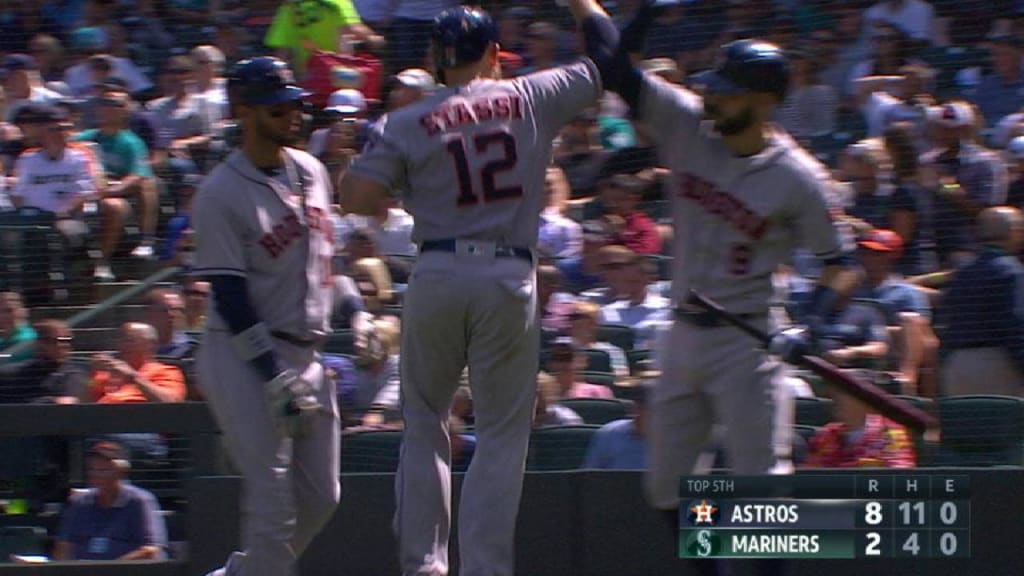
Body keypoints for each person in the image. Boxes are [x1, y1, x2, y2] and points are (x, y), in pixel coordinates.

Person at [571, 2, 856, 575]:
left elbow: (840, 261)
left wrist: (814, 325)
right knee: (666, 487)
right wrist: (644, 13)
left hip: (748, 342)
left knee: (762, 491)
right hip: (682, 329)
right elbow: (617, 68)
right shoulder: (687, 124)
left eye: (727, 92)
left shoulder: (798, 177)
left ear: (764, 102)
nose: (712, 98)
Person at [338, 5, 604, 576]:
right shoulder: (533, 94)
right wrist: (585, 6)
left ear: (437, 60)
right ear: (494, 54)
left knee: (425, 421)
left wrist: (400, 170)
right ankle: (485, 568)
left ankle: (424, 567)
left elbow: (355, 198)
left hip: (436, 270)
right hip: (508, 275)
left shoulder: (407, 121)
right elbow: (608, 57)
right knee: (504, 434)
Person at [193, 56, 340, 576]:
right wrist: (271, 374)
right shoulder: (219, 193)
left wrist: (356, 311)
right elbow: (230, 297)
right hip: (244, 355)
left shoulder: (314, 171)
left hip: (309, 351)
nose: (291, 114)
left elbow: (321, 260)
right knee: (273, 505)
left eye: (294, 104)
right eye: (276, 106)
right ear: (242, 109)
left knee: (322, 496)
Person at [940, 206, 1024, 397]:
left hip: (957, 364)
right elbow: (1016, 324)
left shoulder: (964, 272)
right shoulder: (1011, 271)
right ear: (1014, 233)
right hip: (997, 363)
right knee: (1007, 426)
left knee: (967, 427)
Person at [54, 441, 168, 561]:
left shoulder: (139, 501)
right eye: (92, 470)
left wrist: (110, 569)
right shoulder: (80, 503)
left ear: (121, 471)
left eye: (103, 470)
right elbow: (63, 547)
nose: (95, 475)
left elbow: (150, 550)